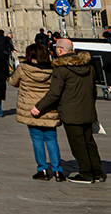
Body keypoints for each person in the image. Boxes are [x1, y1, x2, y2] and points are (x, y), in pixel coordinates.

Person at [30, 37, 105, 183]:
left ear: (59, 50)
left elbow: (54, 93)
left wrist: (38, 107)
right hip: (88, 111)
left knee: (78, 145)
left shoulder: (61, 68)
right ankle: (98, 172)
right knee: (89, 142)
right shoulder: (88, 67)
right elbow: (93, 91)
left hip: (71, 113)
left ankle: (86, 174)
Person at [10, 43, 65, 181]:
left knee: (37, 139)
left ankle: (43, 169)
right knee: (52, 139)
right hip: (48, 108)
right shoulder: (53, 69)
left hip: (31, 108)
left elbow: (13, 82)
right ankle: (58, 170)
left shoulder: (23, 68)